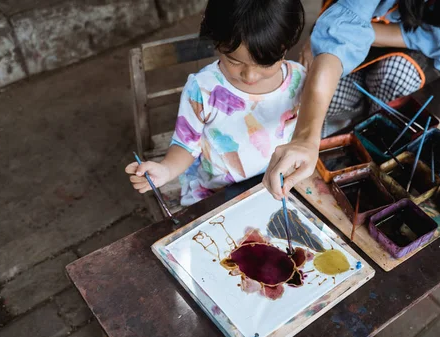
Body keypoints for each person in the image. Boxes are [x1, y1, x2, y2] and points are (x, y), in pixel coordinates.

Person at [263, 0, 440, 200]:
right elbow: (340, 38)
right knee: (323, 96)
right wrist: (307, 137)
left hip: (423, 44)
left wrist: (364, 33)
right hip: (368, 20)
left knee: (393, 75)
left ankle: (374, 138)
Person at [126, 0, 306, 206]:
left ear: (286, 46)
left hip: (274, 187)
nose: (250, 75)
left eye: (265, 63)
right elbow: (186, 145)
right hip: (216, 194)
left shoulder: (300, 79)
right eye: (234, 61)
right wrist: (166, 170)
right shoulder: (203, 89)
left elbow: (304, 134)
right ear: (216, 43)